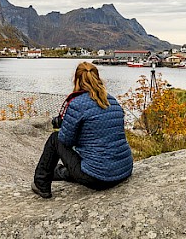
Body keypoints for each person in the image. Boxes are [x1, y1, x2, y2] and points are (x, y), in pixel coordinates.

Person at [32, 61, 133, 198]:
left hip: (98, 178)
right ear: (98, 78)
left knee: (55, 139)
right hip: (123, 170)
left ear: (77, 80)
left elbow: (65, 141)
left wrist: (65, 124)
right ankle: (61, 173)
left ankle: (41, 183)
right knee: (90, 161)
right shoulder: (112, 101)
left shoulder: (77, 104)